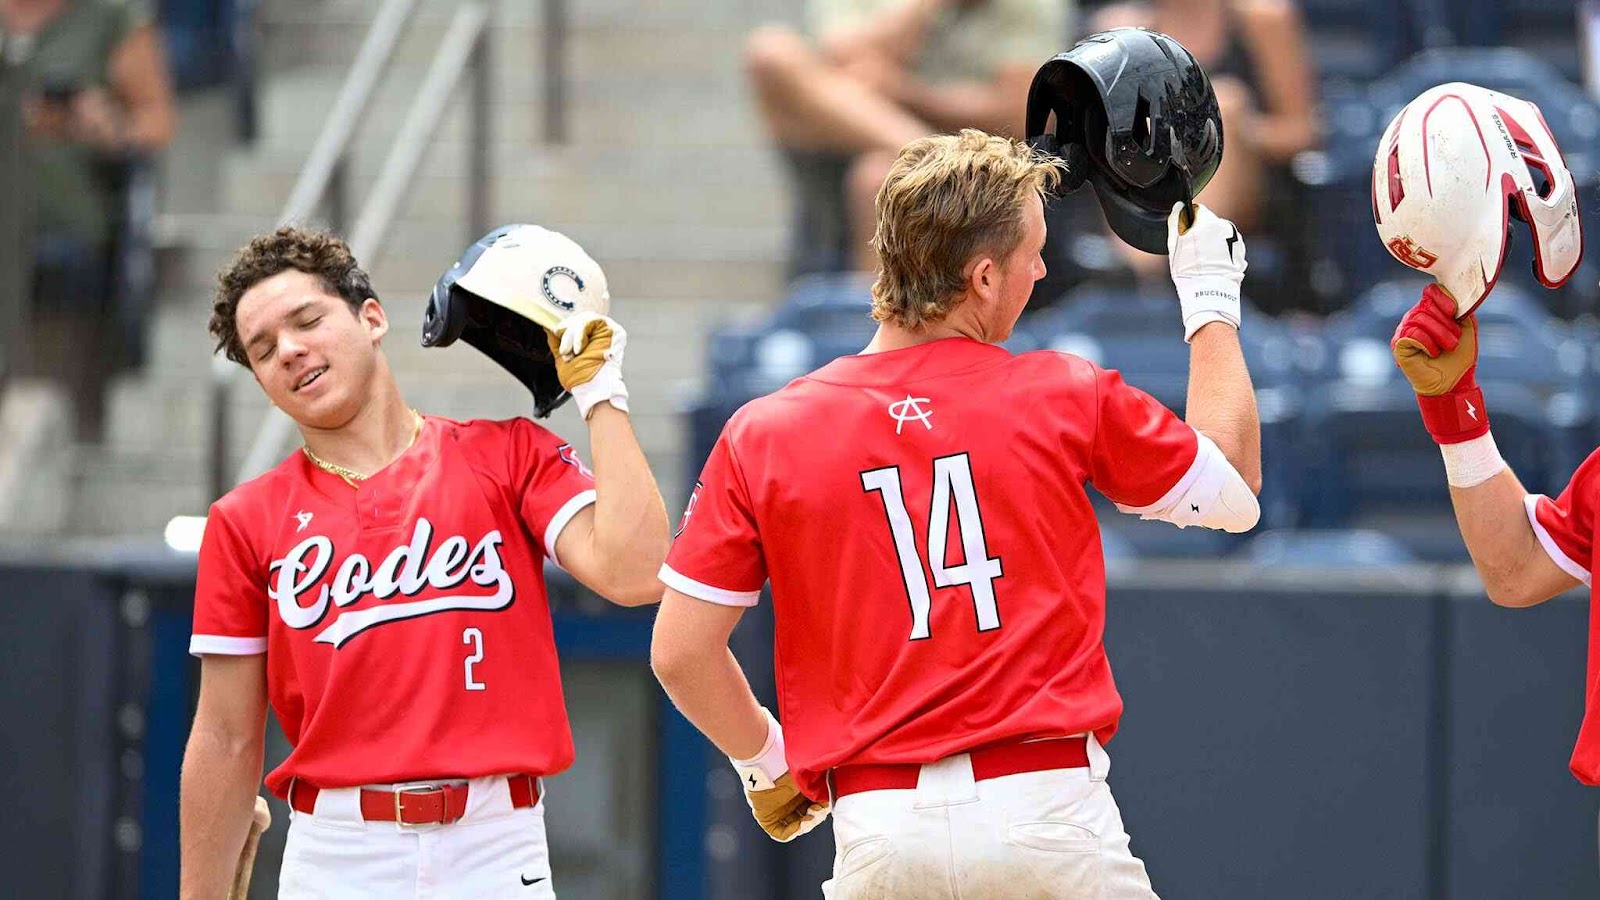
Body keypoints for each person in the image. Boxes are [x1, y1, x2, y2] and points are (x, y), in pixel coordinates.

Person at [650, 129, 1261, 897]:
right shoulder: (1062, 391)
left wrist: (767, 762)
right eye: (1031, 253)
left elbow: (680, 653)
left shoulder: (764, 431)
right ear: (980, 277)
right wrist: (1210, 300)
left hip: (880, 833)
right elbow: (1232, 489)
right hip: (1048, 817)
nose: (1040, 269)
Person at [177, 227, 669, 899]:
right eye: (263, 350)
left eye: (307, 320)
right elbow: (227, 736)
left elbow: (637, 572)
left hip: (497, 843)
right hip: (338, 853)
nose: (289, 350)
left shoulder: (506, 455)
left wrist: (600, 393)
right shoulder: (244, 520)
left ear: (371, 316)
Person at [744, 0, 1071, 273]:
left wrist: (906, 92)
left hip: (983, 158)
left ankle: (925, 156)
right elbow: (844, 61)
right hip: (856, 132)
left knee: (880, 175)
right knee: (771, 51)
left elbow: (1022, 111)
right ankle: (928, 154)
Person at [0, 0, 177, 439]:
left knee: (50, 412)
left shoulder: (110, 16)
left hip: (67, 242)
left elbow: (156, 122)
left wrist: (105, 125)